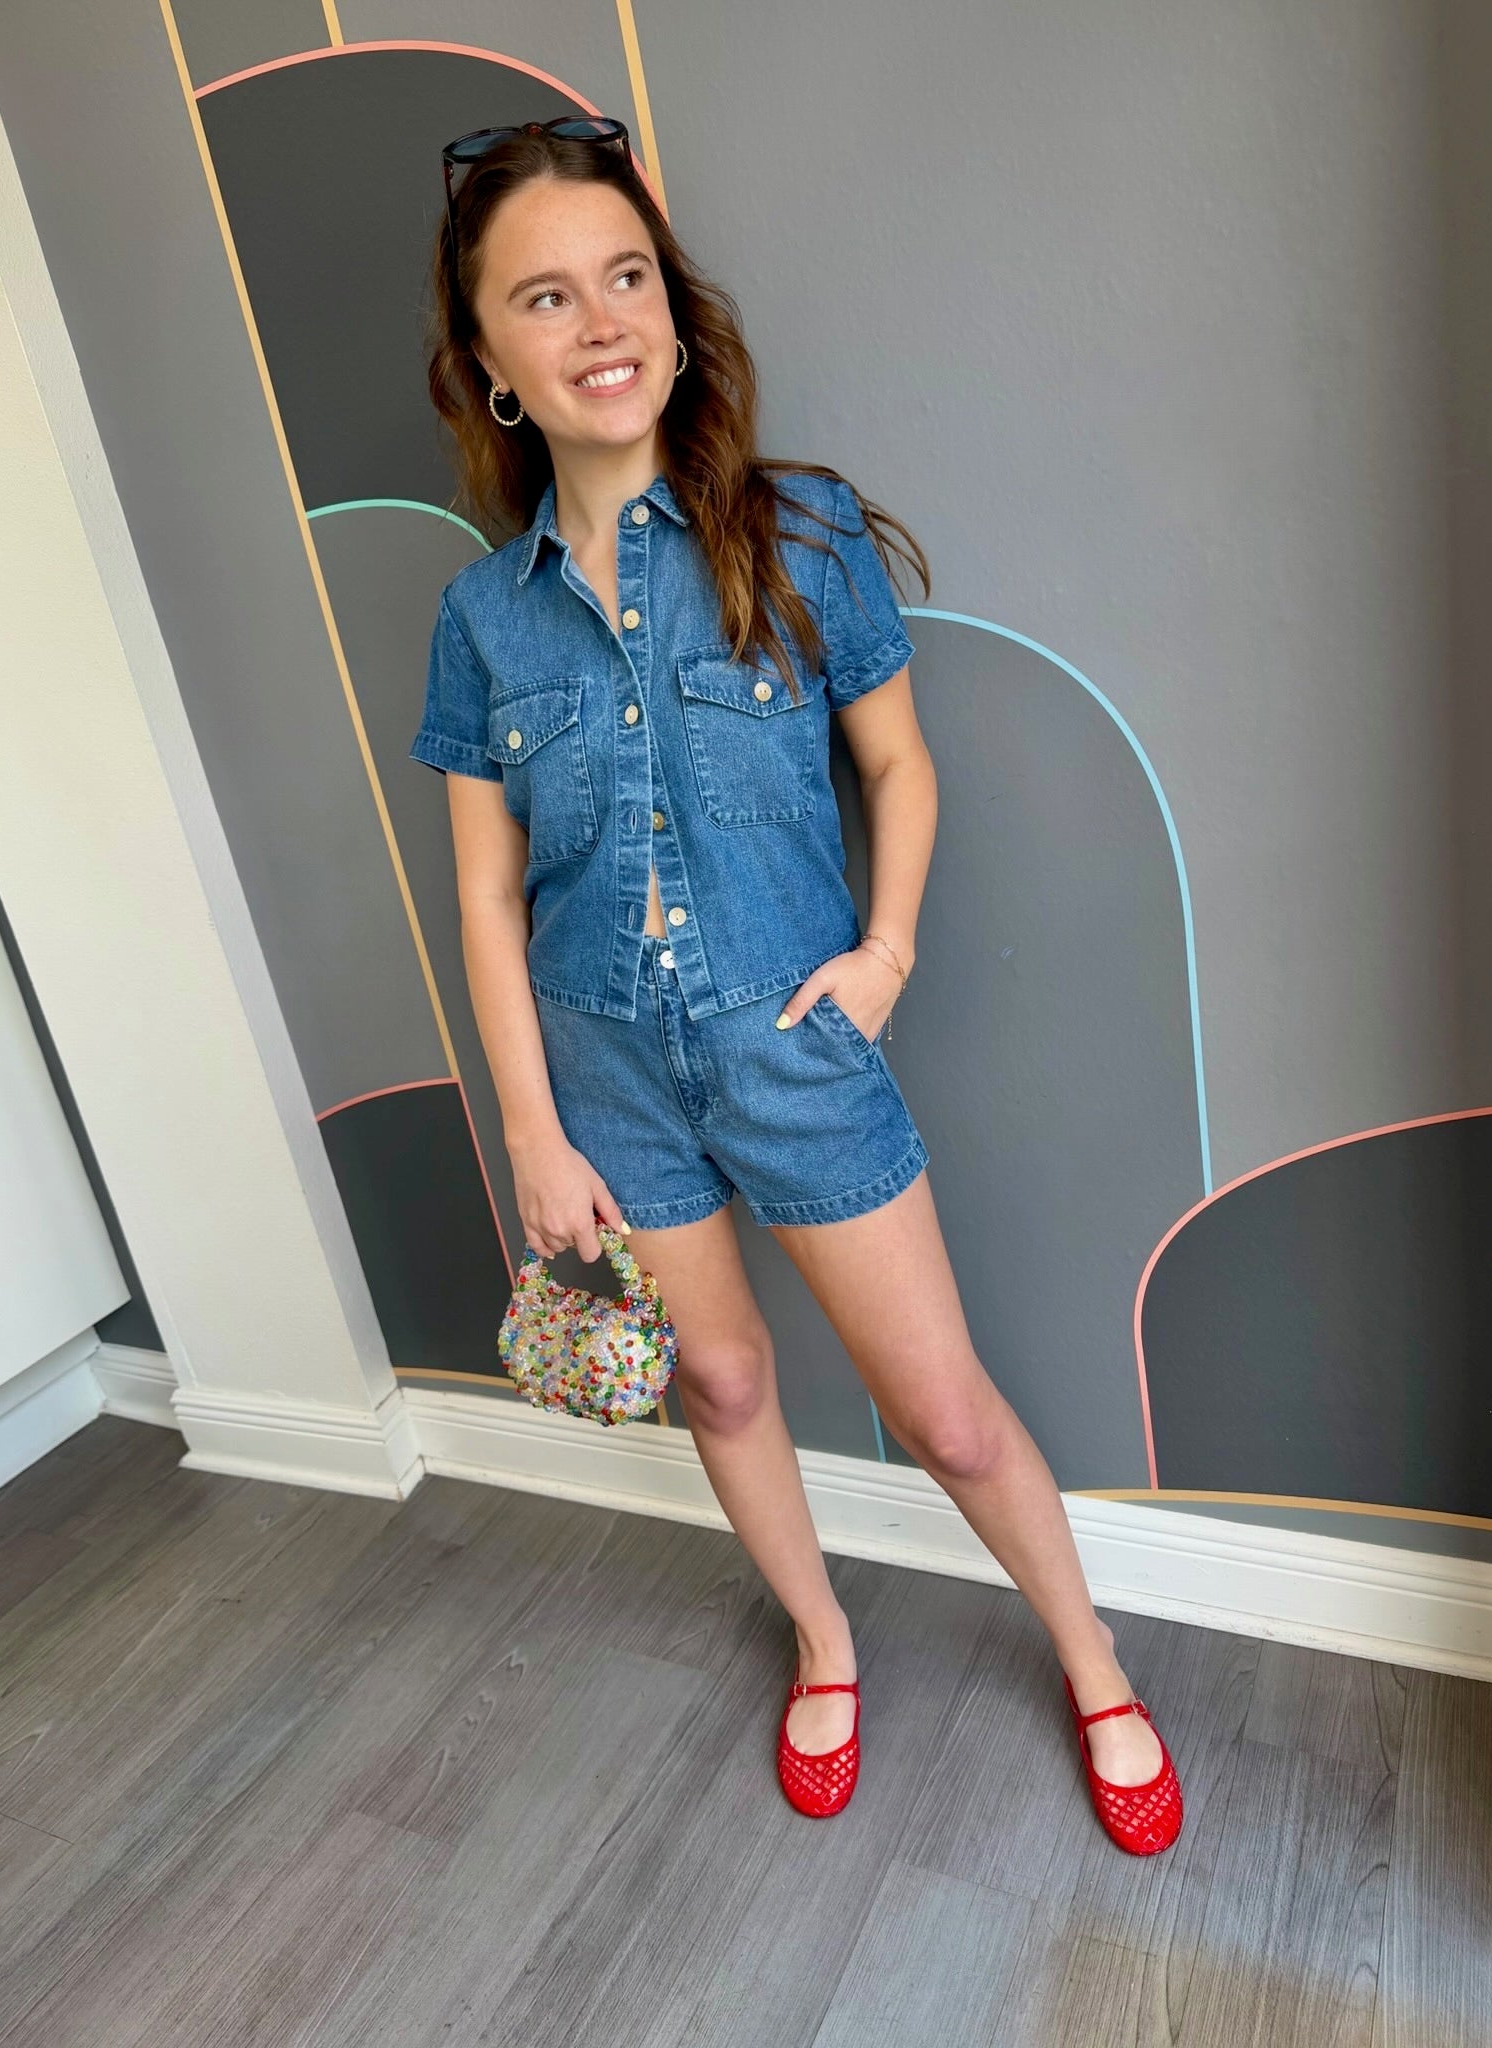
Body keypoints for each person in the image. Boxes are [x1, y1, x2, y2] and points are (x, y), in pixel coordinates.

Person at [411, 115, 1182, 1854]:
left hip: (793, 1049)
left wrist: (884, 954)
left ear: (673, 317)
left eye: (626, 276)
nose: (602, 320)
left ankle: (1094, 1664)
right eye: (547, 295)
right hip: (606, 1076)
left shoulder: (802, 534)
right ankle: (825, 1642)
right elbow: (484, 892)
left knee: (946, 1413)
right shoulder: (481, 620)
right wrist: (533, 1130)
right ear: (494, 366)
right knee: (727, 1385)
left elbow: (898, 768)